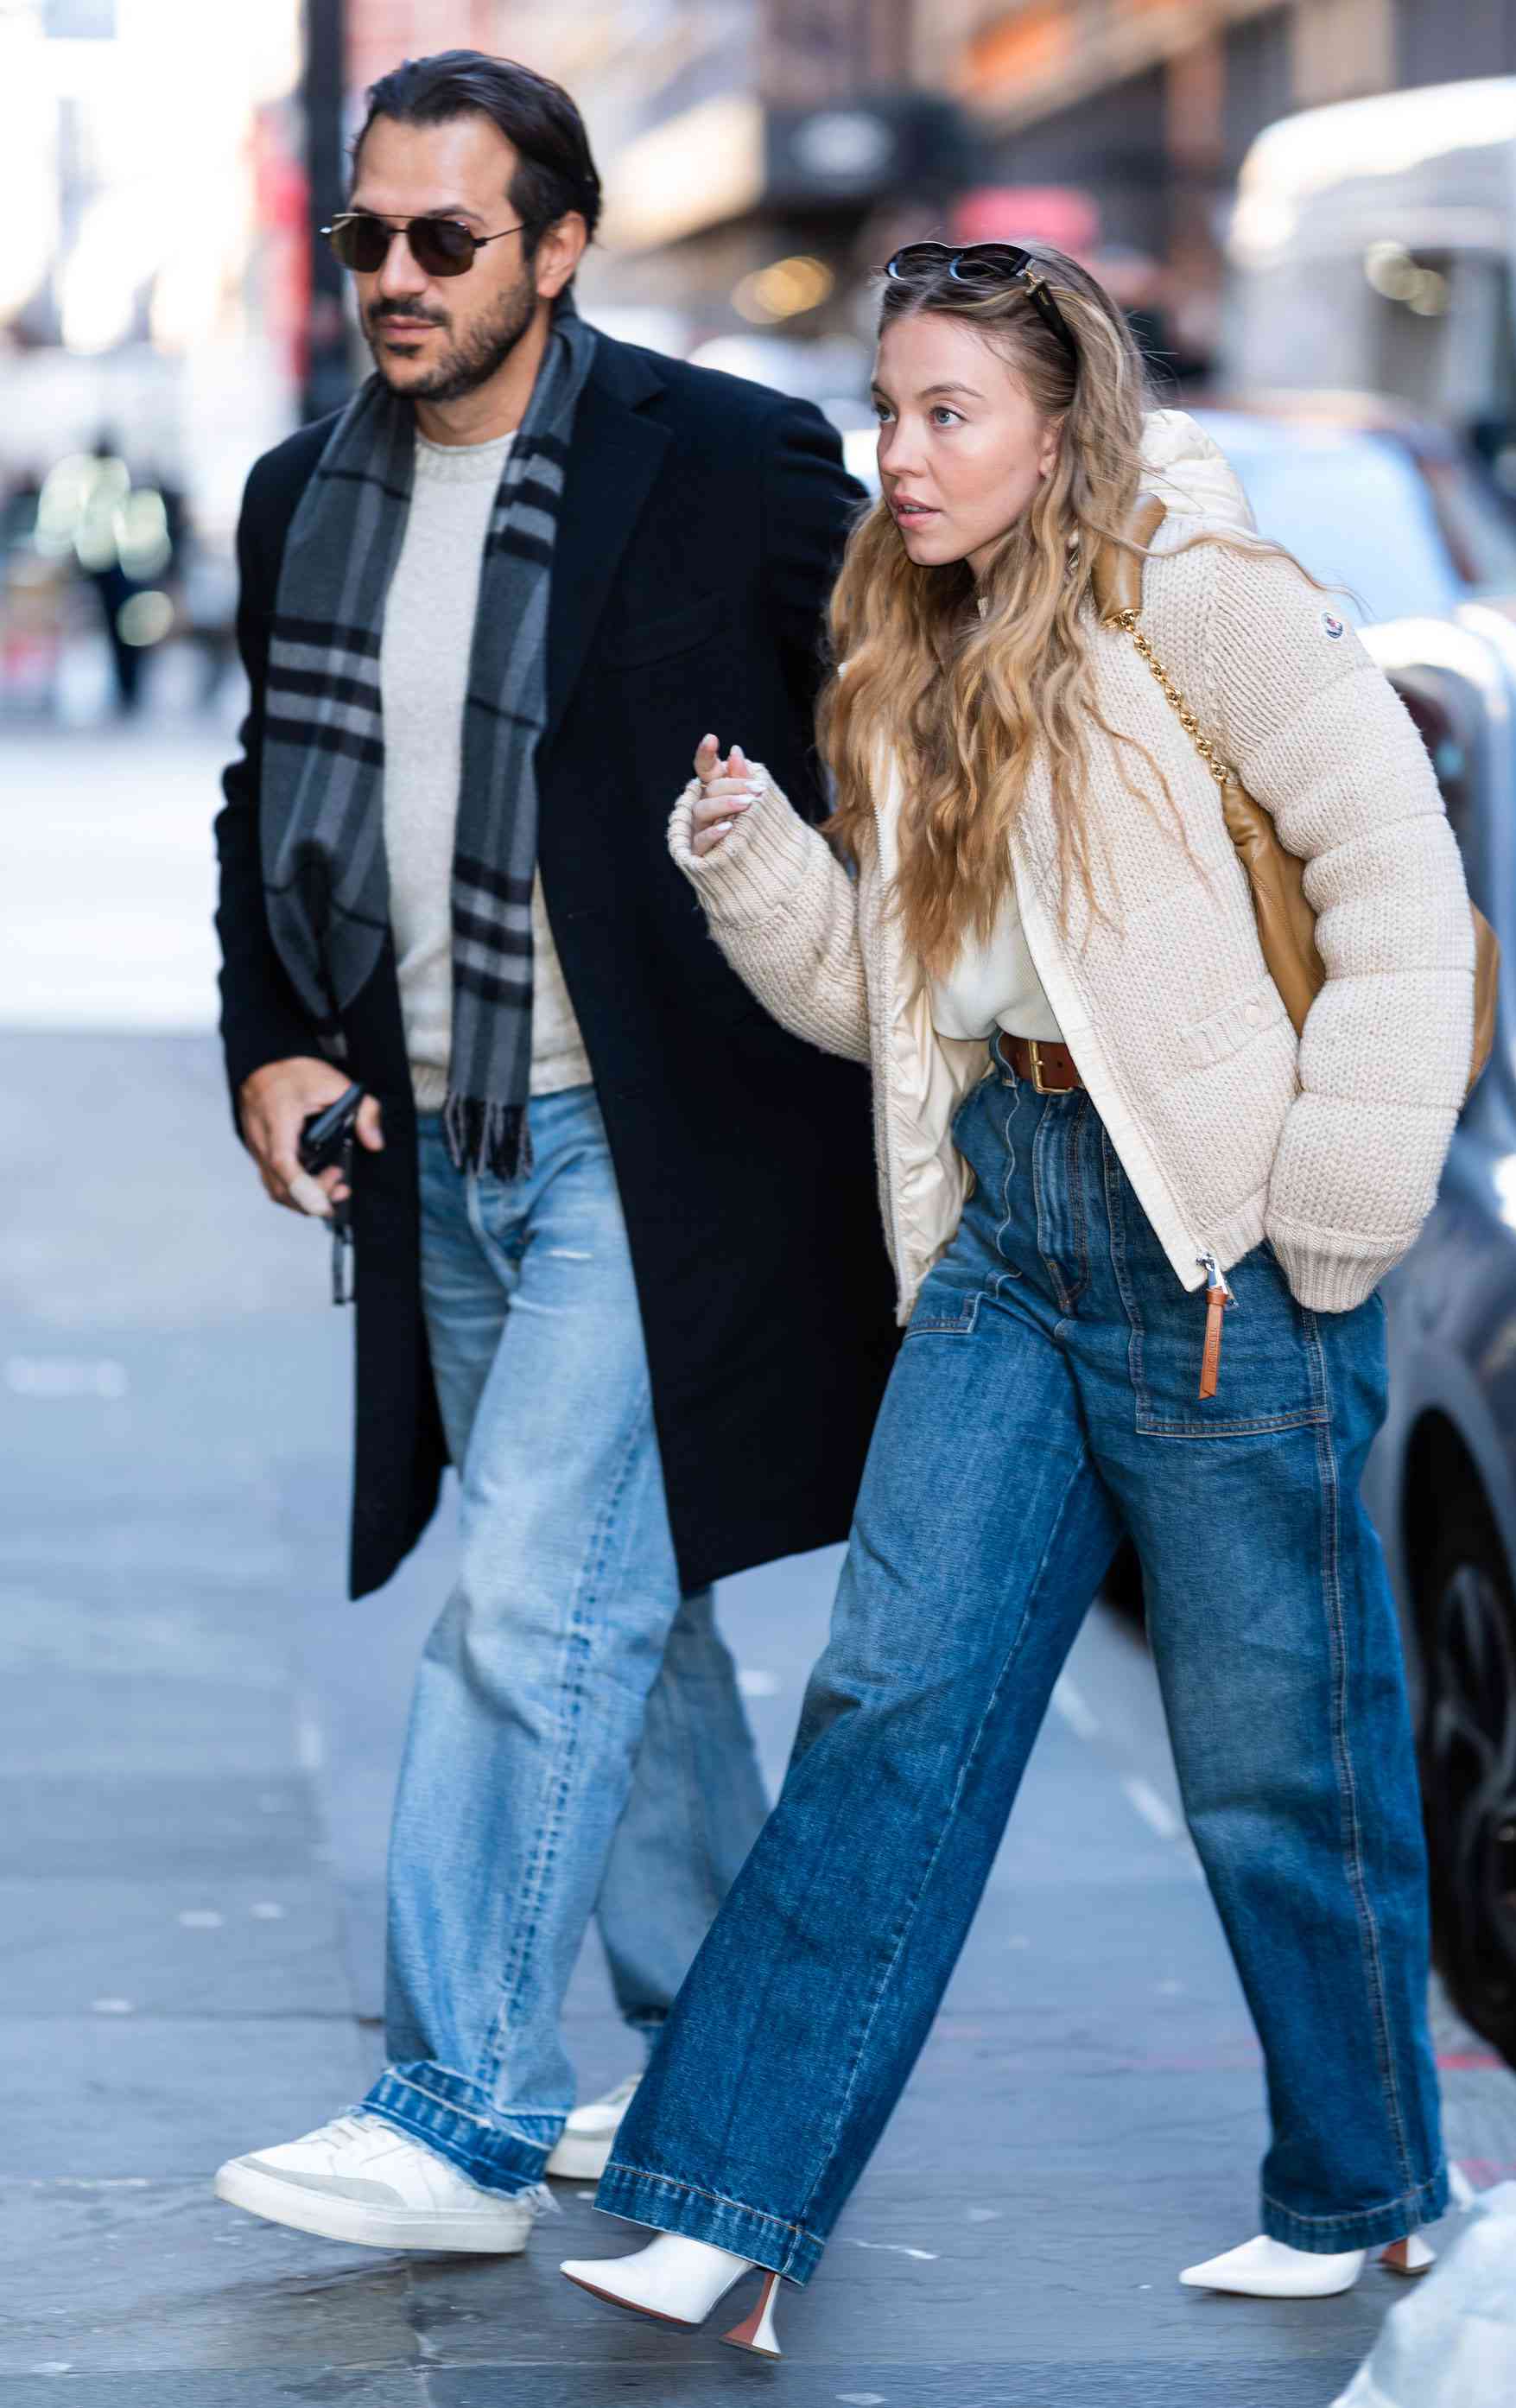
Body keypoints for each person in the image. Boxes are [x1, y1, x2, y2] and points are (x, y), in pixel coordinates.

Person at [558, 240, 1477, 2354]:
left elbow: (1396, 878)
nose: (898, 452)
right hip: (1011, 1234)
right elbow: (893, 1004)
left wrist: (1333, 1183)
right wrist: (756, 860)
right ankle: (724, 2200)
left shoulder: (1204, 600)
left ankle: (1363, 2184)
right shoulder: (907, 637)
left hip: (1214, 1240)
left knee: (1280, 1761)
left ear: (1064, 428)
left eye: (946, 412)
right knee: (888, 1705)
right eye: (887, 410)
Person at [208, 50, 895, 2253]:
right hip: (440, 1155)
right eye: (366, 238)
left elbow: (915, 715)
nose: (392, 281)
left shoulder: (730, 463)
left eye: (445, 240)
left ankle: (465, 2104)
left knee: (526, 1602)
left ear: (561, 244)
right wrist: (272, 1047)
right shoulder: (299, 492)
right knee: (634, 1614)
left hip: (662, 1153)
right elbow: (268, 810)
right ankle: (729, 2074)